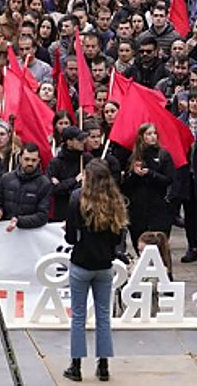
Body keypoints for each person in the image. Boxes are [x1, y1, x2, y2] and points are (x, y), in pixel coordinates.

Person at [63, 159, 126, 382]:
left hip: (81, 262)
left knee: (78, 317)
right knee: (103, 317)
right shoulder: (115, 201)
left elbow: (70, 237)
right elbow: (118, 237)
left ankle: (76, 366)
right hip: (105, 265)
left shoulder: (76, 199)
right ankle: (104, 366)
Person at [121, 122, 175, 248]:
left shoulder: (163, 155)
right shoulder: (134, 157)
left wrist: (150, 173)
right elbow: (126, 186)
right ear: (142, 137)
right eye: (149, 134)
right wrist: (134, 174)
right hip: (138, 209)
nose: (152, 137)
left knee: (158, 244)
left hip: (158, 207)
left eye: (154, 133)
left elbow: (168, 179)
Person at [0, 142, 52, 231]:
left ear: (38, 161)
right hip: (6, 232)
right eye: (26, 159)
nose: (30, 163)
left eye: (33, 160)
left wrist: (19, 221)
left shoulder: (44, 183)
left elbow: (42, 215)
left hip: (30, 234)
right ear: (20, 159)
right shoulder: (6, 179)